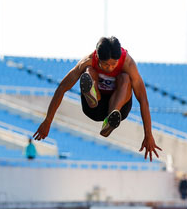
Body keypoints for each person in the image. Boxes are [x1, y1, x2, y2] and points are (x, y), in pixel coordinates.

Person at [33, 36, 162, 161]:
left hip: (119, 107)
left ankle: (110, 118)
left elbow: (143, 99)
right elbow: (62, 88)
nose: (110, 68)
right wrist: (48, 121)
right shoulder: (88, 61)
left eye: (113, 64)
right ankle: (92, 96)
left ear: (119, 59)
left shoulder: (128, 64)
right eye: (105, 65)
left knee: (125, 77)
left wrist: (148, 134)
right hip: (94, 109)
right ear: (97, 57)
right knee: (89, 71)